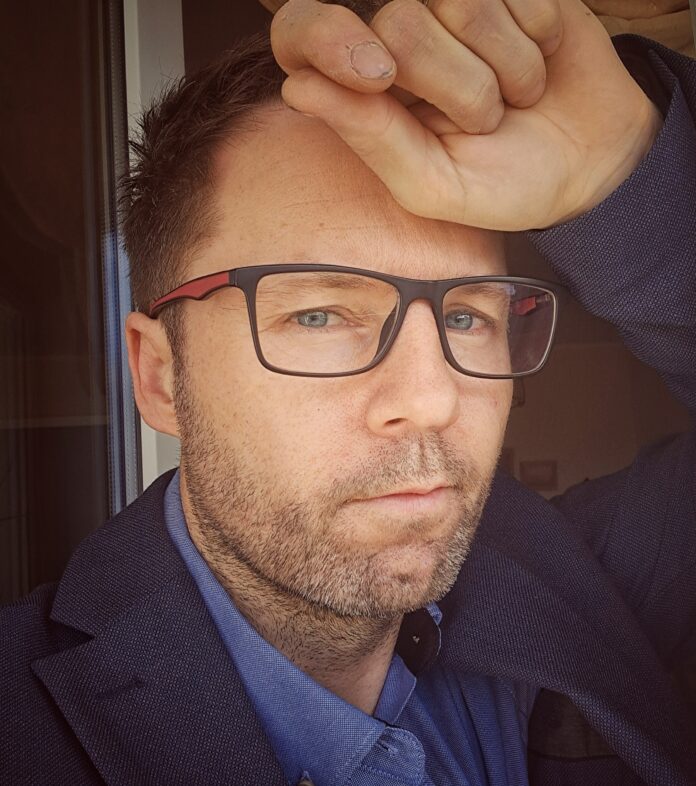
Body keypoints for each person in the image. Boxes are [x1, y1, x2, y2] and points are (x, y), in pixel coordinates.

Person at [2, 0, 695, 783]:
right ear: (161, 376)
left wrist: (626, 172)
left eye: (465, 317)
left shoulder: (571, 575)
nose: (431, 400)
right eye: (320, 315)